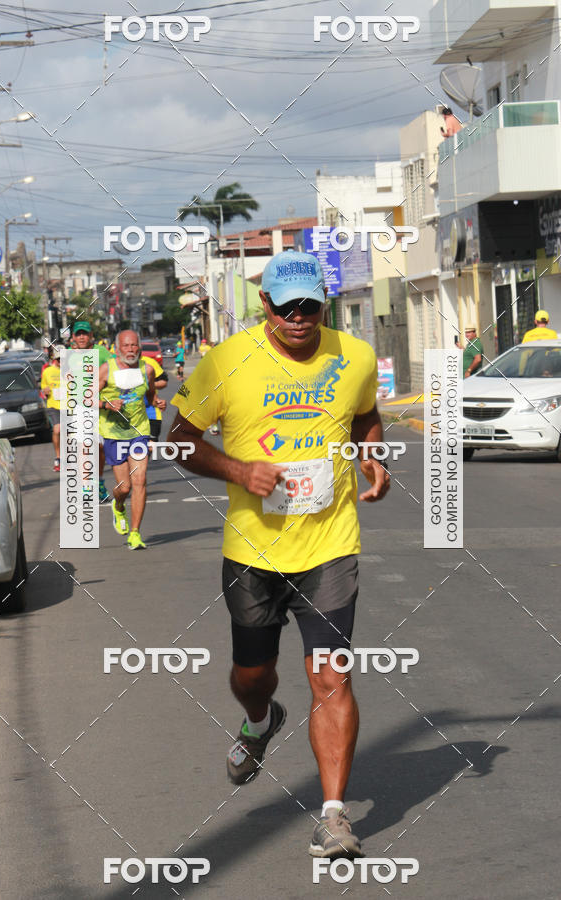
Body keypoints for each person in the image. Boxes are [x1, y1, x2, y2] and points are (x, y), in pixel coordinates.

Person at [170, 250, 390, 858]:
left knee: (331, 675)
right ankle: (261, 720)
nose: (298, 318)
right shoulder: (227, 362)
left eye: (309, 307)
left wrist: (372, 456)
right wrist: (239, 470)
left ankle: (335, 816)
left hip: (329, 546)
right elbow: (180, 440)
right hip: (252, 551)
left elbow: (365, 414)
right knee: (253, 675)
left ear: (325, 304)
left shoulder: (354, 357)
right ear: (264, 304)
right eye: (286, 307)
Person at [98, 330, 160, 550]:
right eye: (126, 345)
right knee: (124, 488)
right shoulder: (106, 369)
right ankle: (118, 505)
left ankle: (135, 533)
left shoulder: (147, 369)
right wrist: (106, 404)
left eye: (134, 345)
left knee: (140, 480)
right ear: (117, 349)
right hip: (113, 433)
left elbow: (150, 393)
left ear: (139, 347)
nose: (131, 349)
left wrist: (156, 402)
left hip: (139, 431)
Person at [71, 321, 113, 502]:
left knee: (101, 447)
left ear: (91, 336)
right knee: (85, 447)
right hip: (82, 408)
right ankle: (87, 486)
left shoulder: (102, 352)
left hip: (103, 407)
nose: (82, 337)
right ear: (73, 337)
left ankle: (99, 482)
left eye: (85, 334)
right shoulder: (70, 356)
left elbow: (115, 370)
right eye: (78, 334)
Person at [40, 346, 63, 471]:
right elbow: (43, 387)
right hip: (53, 405)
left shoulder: (71, 371)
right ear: (55, 359)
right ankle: (58, 457)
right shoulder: (47, 372)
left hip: (69, 405)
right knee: (57, 429)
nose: (61, 362)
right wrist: (45, 390)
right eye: (59, 359)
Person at [141, 353, 168, 446]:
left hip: (151, 411)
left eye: (135, 345)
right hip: (127, 414)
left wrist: (148, 384)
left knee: (150, 447)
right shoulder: (112, 363)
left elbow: (164, 381)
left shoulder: (149, 362)